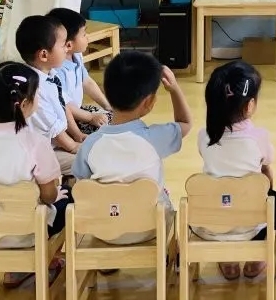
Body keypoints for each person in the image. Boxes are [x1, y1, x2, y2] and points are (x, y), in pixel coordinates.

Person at [0, 62, 71, 287]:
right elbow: (49, 195)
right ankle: (44, 262)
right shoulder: (35, 143)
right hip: (25, 234)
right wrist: (55, 195)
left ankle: (13, 270)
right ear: (25, 104)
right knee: (68, 198)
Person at [72, 52, 192, 244]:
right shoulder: (155, 138)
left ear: (106, 92)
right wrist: (174, 89)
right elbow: (185, 123)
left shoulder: (90, 143)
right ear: (149, 102)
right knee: (162, 195)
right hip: (150, 228)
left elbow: (82, 186)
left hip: (104, 230)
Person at [197, 60, 276, 281]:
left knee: (220, 189)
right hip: (251, 225)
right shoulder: (259, 137)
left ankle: (227, 259)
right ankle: (256, 257)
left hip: (211, 224)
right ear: (249, 106)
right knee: (269, 192)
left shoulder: (204, 136)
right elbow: (266, 173)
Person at [16, 14, 80, 176]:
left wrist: (77, 135)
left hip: (54, 144)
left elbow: (63, 108)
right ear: (44, 55)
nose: (67, 49)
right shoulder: (34, 88)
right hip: (38, 153)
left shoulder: (50, 75)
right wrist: (74, 147)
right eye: (63, 45)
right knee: (87, 163)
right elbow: (56, 133)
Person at [46, 8, 112, 136]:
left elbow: (87, 82)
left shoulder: (76, 56)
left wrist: (107, 106)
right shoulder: (56, 70)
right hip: (66, 119)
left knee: (118, 117)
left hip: (78, 110)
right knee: (106, 130)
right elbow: (65, 106)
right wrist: (91, 118)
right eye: (84, 34)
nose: (88, 37)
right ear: (69, 45)